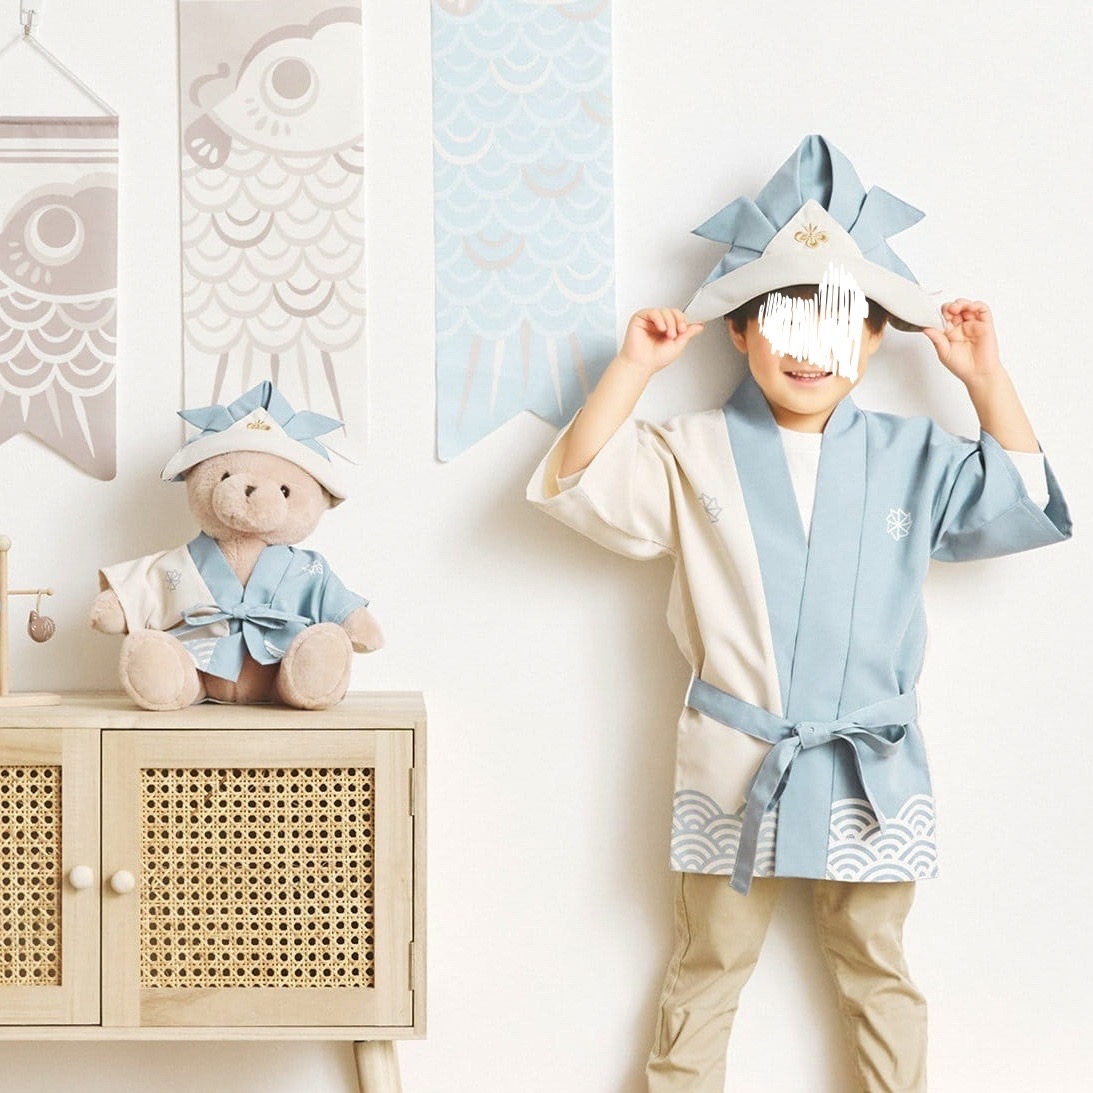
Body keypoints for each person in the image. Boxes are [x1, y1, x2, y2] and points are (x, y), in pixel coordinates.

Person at [526, 136, 1072, 1093]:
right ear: (740, 332)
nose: (809, 347)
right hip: (737, 756)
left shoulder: (914, 456)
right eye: (783, 320)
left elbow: (1020, 503)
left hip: (868, 764)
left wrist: (984, 378)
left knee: (876, 967)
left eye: (837, 321)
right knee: (706, 963)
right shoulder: (690, 450)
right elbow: (580, 480)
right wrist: (633, 369)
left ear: (872, 338)